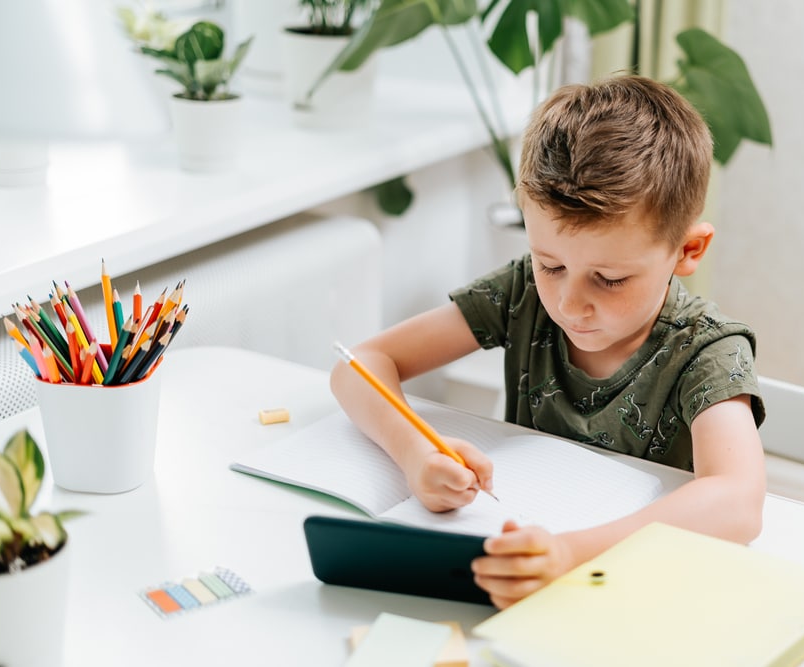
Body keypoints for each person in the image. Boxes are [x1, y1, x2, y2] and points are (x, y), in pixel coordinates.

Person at [329, 74, 767, 609]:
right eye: (550, 264)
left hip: (643, 593)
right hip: (523, 580)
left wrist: (568, 556)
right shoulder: (523, 295)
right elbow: (359, 364)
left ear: (688, 250)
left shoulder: (707, 351)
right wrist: (417, 453)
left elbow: (738, 503)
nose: (569, 303)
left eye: (610, 279)